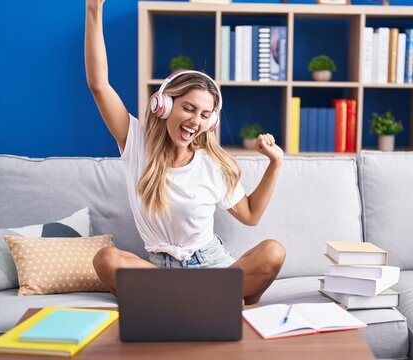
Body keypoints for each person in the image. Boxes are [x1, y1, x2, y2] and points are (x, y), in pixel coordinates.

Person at [85, 0, 285, 305]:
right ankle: (211, 300)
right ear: (164, 106)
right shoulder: (136, 142)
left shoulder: (213, 165)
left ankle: (188, 299)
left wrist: (276, 162)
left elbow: (251, 216)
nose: (195, 120)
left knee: (273, 251)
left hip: (212, 265)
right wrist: (93, 10)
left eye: (205, 115)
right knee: (106, 259)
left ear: (211, 122)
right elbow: (99, 86)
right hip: (161, 271)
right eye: (188, 108)